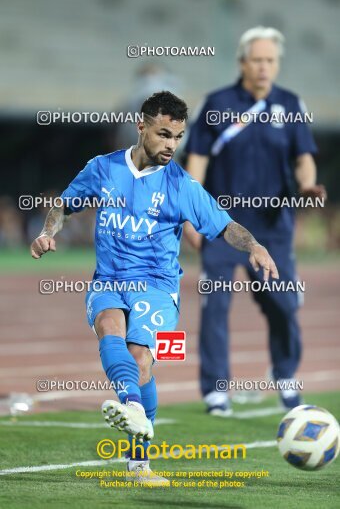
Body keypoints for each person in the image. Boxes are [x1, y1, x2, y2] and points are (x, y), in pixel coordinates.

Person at [30, 91, 278, 485]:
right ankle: (132, 410)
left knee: (141, 360)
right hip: (109, 280)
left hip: (158, 286)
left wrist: (255, 245)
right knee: (109, 328)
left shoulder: (181, 186)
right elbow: (64, 204)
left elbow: (225, 224)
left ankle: (138, 464)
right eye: (164, 134)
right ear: (141, 126)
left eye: (177, 138)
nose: (171, 146)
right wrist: (47, 233)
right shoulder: (104, 168)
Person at [184, 27, 327, 417]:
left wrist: (307, 184)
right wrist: (189, 217)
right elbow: (195, 164)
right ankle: (215, 391)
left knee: (282, 304)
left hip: (273, 227)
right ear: (242, 63)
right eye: (258, 60)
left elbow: (303, 158)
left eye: (271, 61)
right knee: (215, 304)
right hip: (221, 224)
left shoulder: (291, 104)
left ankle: (285, 377)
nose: (265, 67)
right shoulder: (216, 103)